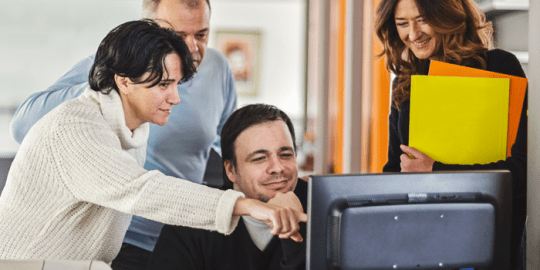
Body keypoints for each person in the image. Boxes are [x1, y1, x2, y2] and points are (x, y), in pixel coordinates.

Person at [0, 20, 305, 264]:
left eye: (175, 84)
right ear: (123, 81)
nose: (174, 98)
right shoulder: (76, 127)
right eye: (162, 84)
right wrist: (247, 205)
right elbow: (142, 190)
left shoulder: (129, 129)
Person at [9, 1, 237, 269]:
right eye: (177, 36)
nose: (191, 48)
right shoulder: (112, 70)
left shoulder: (217, 69)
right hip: (123, 238)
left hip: (182, 230)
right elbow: (23, 125)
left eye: (201, 34)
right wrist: (112, 81)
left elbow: (231, 143)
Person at [375, 0, 527, 268]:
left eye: (422, 19)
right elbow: (393, 169)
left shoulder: (499, 67)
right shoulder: (405, 81)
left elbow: (521, 171)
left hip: (483, 236)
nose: (412, 34)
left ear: (447, 15)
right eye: (402, 23)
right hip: (420, 238)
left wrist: (436, 170)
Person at [146, 104, 307, 270]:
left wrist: (295, 238)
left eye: (286, 155)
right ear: (231, 170)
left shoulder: (327, 211)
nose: (277, 168)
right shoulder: (190, 224)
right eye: (259, 158)